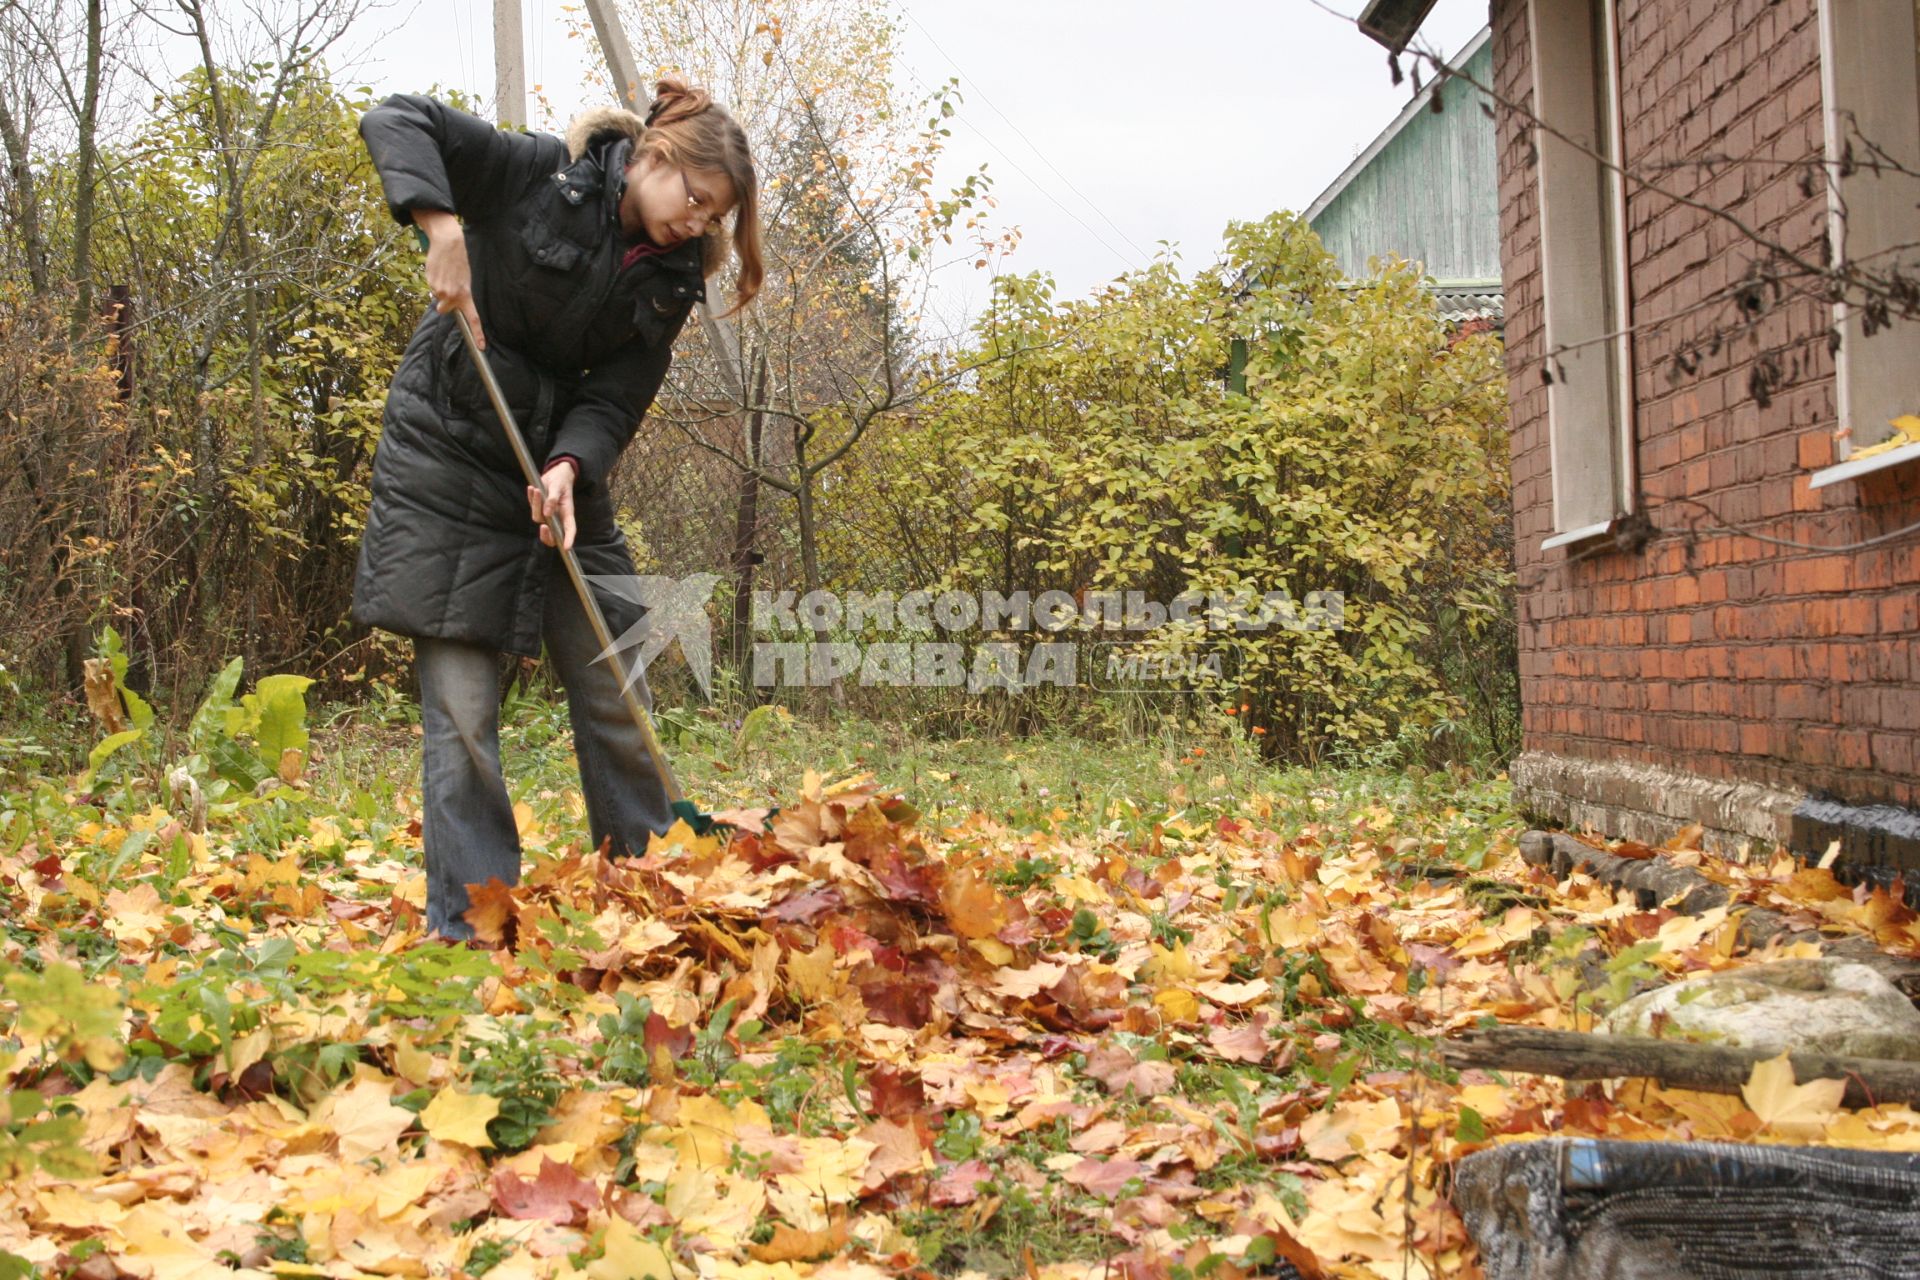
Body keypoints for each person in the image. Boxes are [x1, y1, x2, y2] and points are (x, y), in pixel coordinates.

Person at [354, 79, 763, 941]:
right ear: (652, 158)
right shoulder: (539, 173)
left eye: (712, 214)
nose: (695, 222)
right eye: (692, 198)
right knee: (463, 712)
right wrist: (444, 228)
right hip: (452, 460)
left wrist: (573, 467)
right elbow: (399, 118)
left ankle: (648, 887)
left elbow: (616, 398)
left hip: (557, 474)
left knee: (615, 674)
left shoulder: (672, 276)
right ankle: (473, 924)